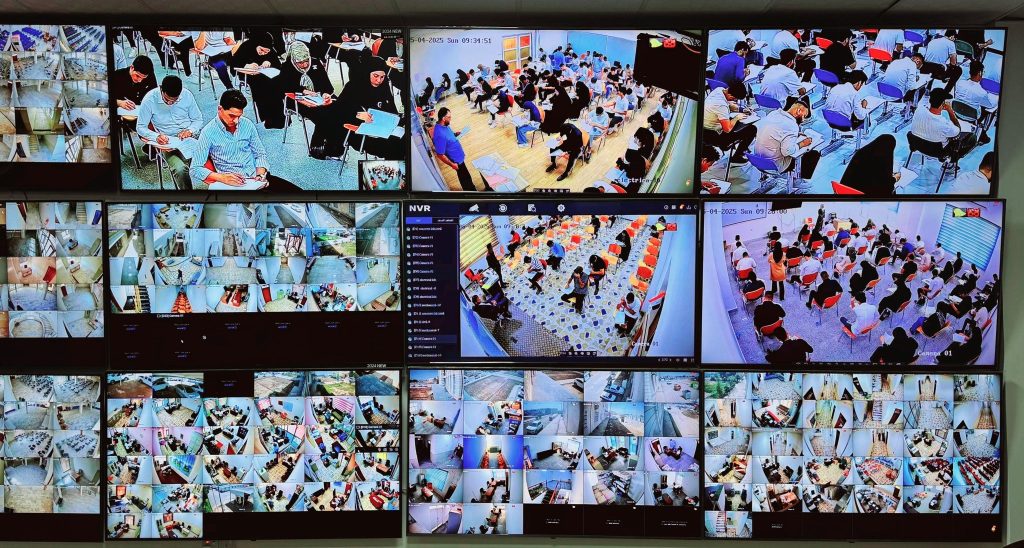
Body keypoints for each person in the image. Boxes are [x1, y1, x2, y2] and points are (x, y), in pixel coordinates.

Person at [189, 90, 299, 191]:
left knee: (298, 194)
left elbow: (260, 154)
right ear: (220, 109)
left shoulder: (247, 124)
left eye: (239, 116)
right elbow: (195, 169)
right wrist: (222, 177)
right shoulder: (208, 132)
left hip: (256, 178)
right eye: (232, 116)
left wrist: (260, 174)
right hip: (233, 185)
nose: (236, 121)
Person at [135, 75, 203, 190]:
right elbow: (140, 127)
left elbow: (198, 120)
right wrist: (156, 136)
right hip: (167, 142)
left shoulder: (187, 95)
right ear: (161, 89)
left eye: (175, 100)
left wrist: (190, 130)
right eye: (167, 100)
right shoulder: (150, 99)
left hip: (189, 139)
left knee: (217, 158)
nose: (170, 103)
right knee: (180, 169)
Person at [333, 56, 404, 160]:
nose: (379, 80)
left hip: (382, 128)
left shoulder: (384, 85)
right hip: (359, 132)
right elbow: (338, 110)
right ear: (368, 73)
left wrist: (397, 119)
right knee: (394, 147)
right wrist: (357, 114)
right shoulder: (353, 86)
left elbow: (391, 110)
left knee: (405, 140)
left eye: (382, 77)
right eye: (375, 76)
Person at [752, 98, 820, 180]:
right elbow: (787, 151)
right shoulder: (792, 125)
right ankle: (798, 180)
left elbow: (776, 131)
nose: (803, 120)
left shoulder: (774, 113)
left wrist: (795, 134)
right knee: (813, 154)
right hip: (773, 165)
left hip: (757, 160)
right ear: (798, 111)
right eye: (804, 116)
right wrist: (802, 144)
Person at [702, 82, 756, 167]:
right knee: (752, 129)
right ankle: (736, 157)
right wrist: (737, 117)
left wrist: (741, 109)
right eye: (735, 99)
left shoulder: (719, 90)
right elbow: (727, 129)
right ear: (731, 96)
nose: (734, 101)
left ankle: (733, 147)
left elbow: (728, 105)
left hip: (706, 129)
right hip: (714, 136)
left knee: (739, 122)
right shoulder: (720, 105)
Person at [910, 89, 966, 159]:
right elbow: (958, 131)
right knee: (971, 138)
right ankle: (951, 161)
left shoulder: (918, 110)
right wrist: (950, 111)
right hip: (938, 152)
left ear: (930, 101)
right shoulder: (945, 124)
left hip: (918, 146)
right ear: (942, 104)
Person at [433, 107, 479, 192]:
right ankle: (470, 193)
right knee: (465, 179)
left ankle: (471, 189)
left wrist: (455, 134)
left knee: (466, 176)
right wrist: (452, 164)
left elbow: (448, 137)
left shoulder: (445, 125)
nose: (450, 119)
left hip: (459, 157)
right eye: (449, 117)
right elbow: (440, 154)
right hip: (456, 161)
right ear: (443, 118)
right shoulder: (439, 134)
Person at [954, 60, 999, 145]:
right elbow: (990, 105)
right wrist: (996, 97)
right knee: (992, 108)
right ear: (980, 73)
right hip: (971, 117)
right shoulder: (981, 92)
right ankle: (983, 134)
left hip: (957, 112)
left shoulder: (959, 83)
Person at [112, 55, 158, 130]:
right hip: (123, 112)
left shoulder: (150, 76)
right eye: (137, 76)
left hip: (142, 110)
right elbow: (104, 99)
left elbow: (154, 95)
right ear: (132, 68)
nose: (140, 80)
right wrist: (119, 102)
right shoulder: (117, 76)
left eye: (143, 78)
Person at [922, 29, 963, 93]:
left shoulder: (933, 41)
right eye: (955, 37)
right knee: (958, 70)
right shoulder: (951, 43)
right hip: (938, 71)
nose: (955, 39)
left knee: (935, 63)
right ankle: (946, 92)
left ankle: (928, 87)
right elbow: (953, 63)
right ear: (952, 36)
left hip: (926, 68)